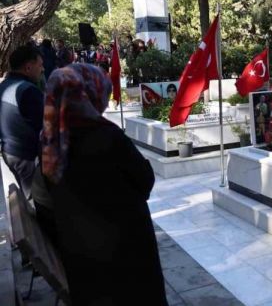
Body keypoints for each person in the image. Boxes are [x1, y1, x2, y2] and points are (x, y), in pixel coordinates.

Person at [41, 64, 167, 305]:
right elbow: (145, 181)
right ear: (88, 95)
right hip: (127, 254)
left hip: (81, 257)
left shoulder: (49, 142)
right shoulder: (107, 136)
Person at [0, 45, 45, 199]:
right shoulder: (28, 91)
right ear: (28, 67)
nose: (43, 69)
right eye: (40, 65)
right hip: (25, 157)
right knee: (36, 201)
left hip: (10, 151)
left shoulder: (4, 86)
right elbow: (45, 127)